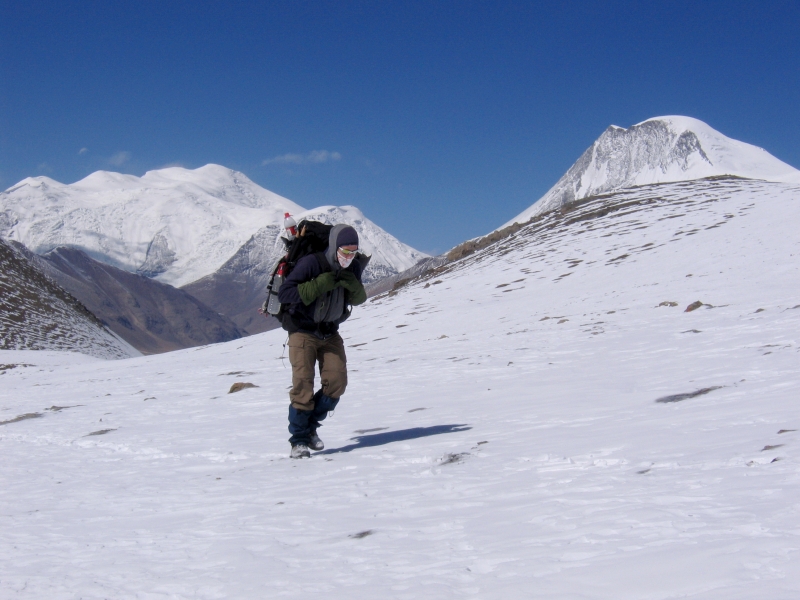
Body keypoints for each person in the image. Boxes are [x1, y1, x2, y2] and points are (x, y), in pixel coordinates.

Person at [277, 224, 368, 458]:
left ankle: (310, 427)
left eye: (353, 252)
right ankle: (298, 441)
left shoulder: (353, 267)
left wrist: (352, 284)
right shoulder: (312, 263)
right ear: (335, 246)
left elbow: (358, 299)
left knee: (337, 383)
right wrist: (319, 284)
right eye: (345, 251)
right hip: (302, 331)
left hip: (330, 332)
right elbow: (285, 294)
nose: (349, 256)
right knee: (303, 386)